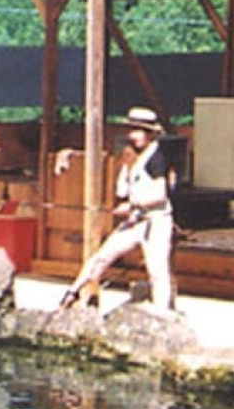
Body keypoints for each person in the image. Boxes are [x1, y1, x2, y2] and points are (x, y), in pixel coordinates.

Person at [57, 107, 176, 310]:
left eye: (139, 131)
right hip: (136, 220)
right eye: (132, 130)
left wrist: (132, 205)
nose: (133, 136)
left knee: (157, 270)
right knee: (102, 256)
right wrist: (68, 154)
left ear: (149, 134)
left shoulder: (157, 158)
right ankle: (72, 293)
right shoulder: (131, 155)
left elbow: (160, 194)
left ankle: (162, 313)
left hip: (156, 221)